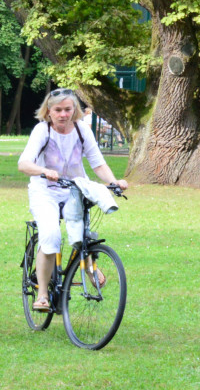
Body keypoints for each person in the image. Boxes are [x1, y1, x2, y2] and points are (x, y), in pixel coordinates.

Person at [17, 88, 129, 310]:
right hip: (45, 191)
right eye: (58, 110)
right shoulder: (42, 131)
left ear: (75, 109)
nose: (63, 115)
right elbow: (23, 164)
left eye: (68, 109)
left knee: (83, 233)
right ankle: (42, 295)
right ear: (49, 111)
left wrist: (114, 182)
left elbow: (97, 163)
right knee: (51, 236)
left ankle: (89, 267)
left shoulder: (82, 130)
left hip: (74, 189)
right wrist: (43, 170)